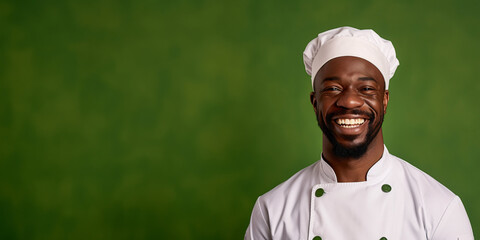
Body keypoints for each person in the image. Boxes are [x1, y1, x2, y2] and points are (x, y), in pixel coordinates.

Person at [245, 27, 474, 240]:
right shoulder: (272, 210)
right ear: (315, 102)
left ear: (384, 100)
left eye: (366, 89)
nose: (349, 101)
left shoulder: (439, 207)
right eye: (333, 89)